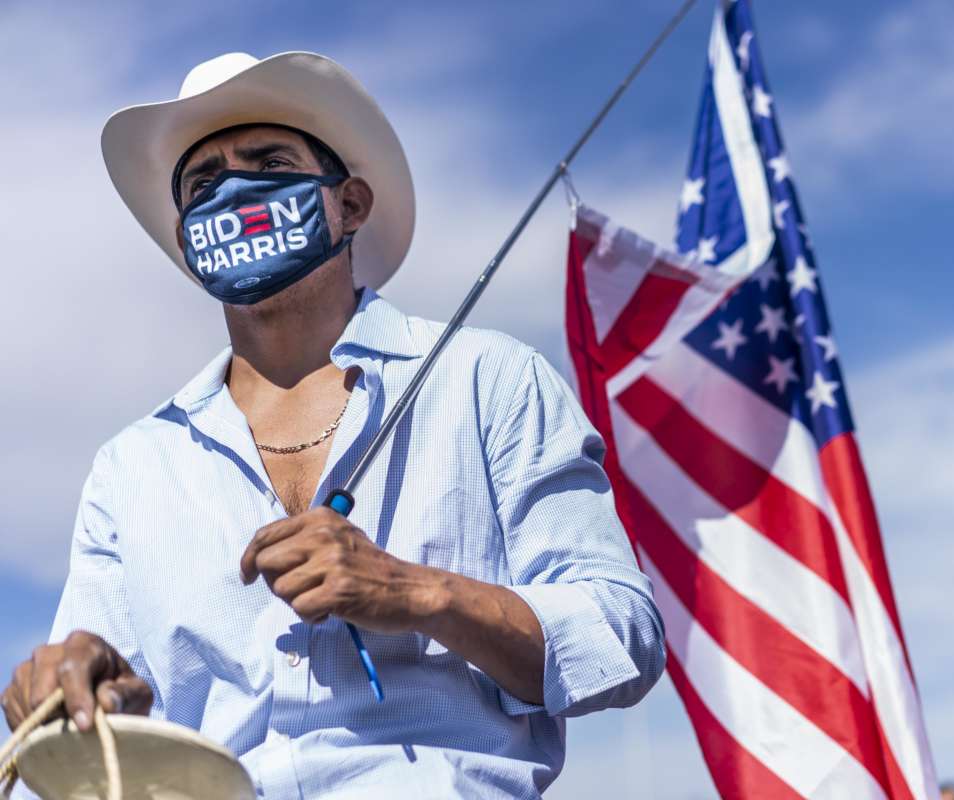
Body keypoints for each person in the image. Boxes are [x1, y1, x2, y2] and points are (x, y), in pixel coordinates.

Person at [0, 52, 665, 799]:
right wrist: (79, 695)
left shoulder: (488, 379)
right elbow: (102, 721)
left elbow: (621, 633)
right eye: (204, 183)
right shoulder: (131, 468)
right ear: (188, 244)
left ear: (349, 204)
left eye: (268, 161)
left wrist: (417, 593)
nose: (235, 190)